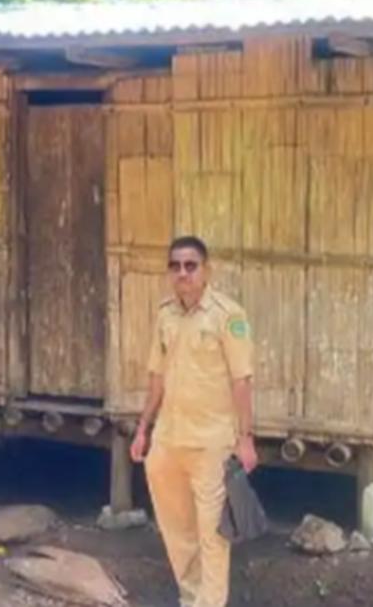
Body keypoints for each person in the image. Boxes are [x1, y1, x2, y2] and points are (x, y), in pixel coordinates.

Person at [130, 236, 257, 607]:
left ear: (206, 270)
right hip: (168, 441)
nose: (183, 273)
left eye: (191, 265)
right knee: (177, 531)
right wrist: (143, 429)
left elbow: (242, 380)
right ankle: (191, 599)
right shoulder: (165, 314)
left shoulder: (228, 316)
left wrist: (245, 438)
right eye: (175, 266)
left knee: (212, 535)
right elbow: (157, 378)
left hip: (211, 443)